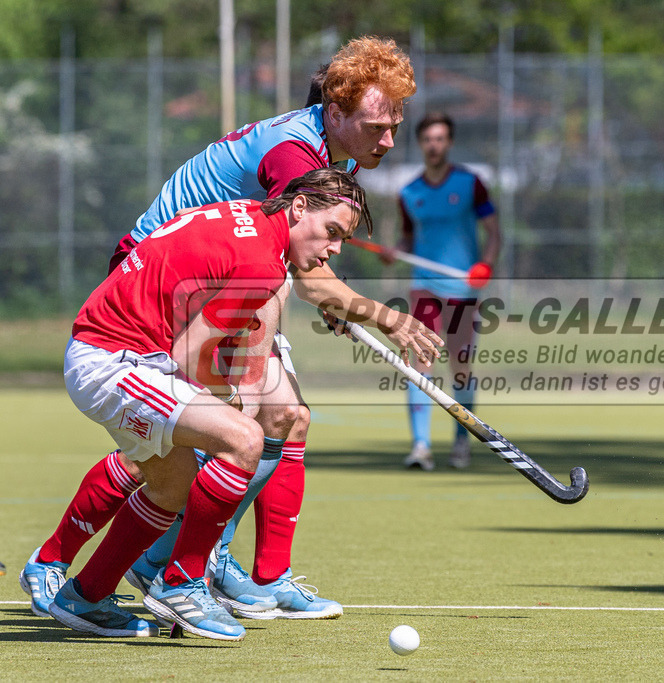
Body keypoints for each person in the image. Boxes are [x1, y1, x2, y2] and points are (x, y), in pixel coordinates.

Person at [20, 36, 442, 622]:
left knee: (278, 416)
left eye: (395, 124)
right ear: (337, 113)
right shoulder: (295, 157)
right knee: (197, 436)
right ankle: (134, 562)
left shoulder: (333, 152)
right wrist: (382, 315)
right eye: (377, 126)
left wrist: (331, 289)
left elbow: (297, 259)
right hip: (170, 284)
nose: (390, 140)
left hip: (224, 279)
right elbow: (287, 265)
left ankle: (247, 571)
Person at [47, 167, 370, 641]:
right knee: (243, 438)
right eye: (332, 232)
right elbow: (189, 355)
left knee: (171, 482)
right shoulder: (262, 260)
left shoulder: (246, 217)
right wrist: (233, 400)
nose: (335, 249)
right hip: (116, 361)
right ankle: (181, 583)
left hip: (119, 352)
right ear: (299, 208)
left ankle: (85, 596)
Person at [384, 113, 501, 470]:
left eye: (440, 139)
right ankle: (421, 446)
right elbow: (408, 238)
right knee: (420, 364)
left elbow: (494, 232)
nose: (433, 145)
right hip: (424, 288)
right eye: (428, 139)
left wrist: (486, 264)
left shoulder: (471, 183)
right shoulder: (410, 192)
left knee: (460, 365)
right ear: (420, 144)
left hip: (462, 289)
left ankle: (461, 443)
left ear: (448, 143)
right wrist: (395, 251)